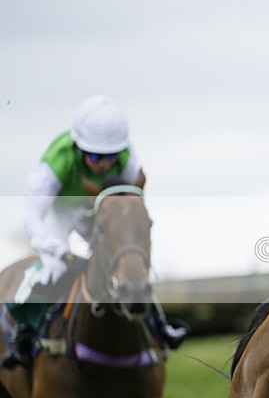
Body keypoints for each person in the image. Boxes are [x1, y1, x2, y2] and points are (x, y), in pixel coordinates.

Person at [0, 95, 187, 369]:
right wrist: (60, 253)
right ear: (79, 147)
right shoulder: (57, 160)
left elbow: (134, 205)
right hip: (61, 214)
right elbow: (33, 218)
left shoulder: (127, 155)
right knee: (54, 270)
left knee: (131, 264)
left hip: (103, 213)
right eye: (96, 156)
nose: (103, 164)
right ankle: (22, 334)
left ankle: (159, 324)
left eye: (110, 158)